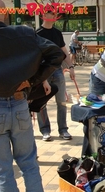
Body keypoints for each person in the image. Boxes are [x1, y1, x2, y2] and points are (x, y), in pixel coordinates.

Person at [0, 0, 65, 192]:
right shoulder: (24, 34)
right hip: (19, 104)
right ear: (3, 12)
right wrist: (32, 80)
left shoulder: (25, 33)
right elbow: (56, 55)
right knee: (28, 163)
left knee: (2, 169)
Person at [36, 10, 76, 141]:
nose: (54, 15)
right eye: (50, 13)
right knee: (42, 102)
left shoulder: (57, 33)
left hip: (58, 70)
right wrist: (40, 77)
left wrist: (71, 67)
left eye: (55, 13)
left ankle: (63, 130)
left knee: (61, 102)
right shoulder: (37, 34)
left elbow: (64, 51)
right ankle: (45, 130)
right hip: (43, 72)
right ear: (43, 15)